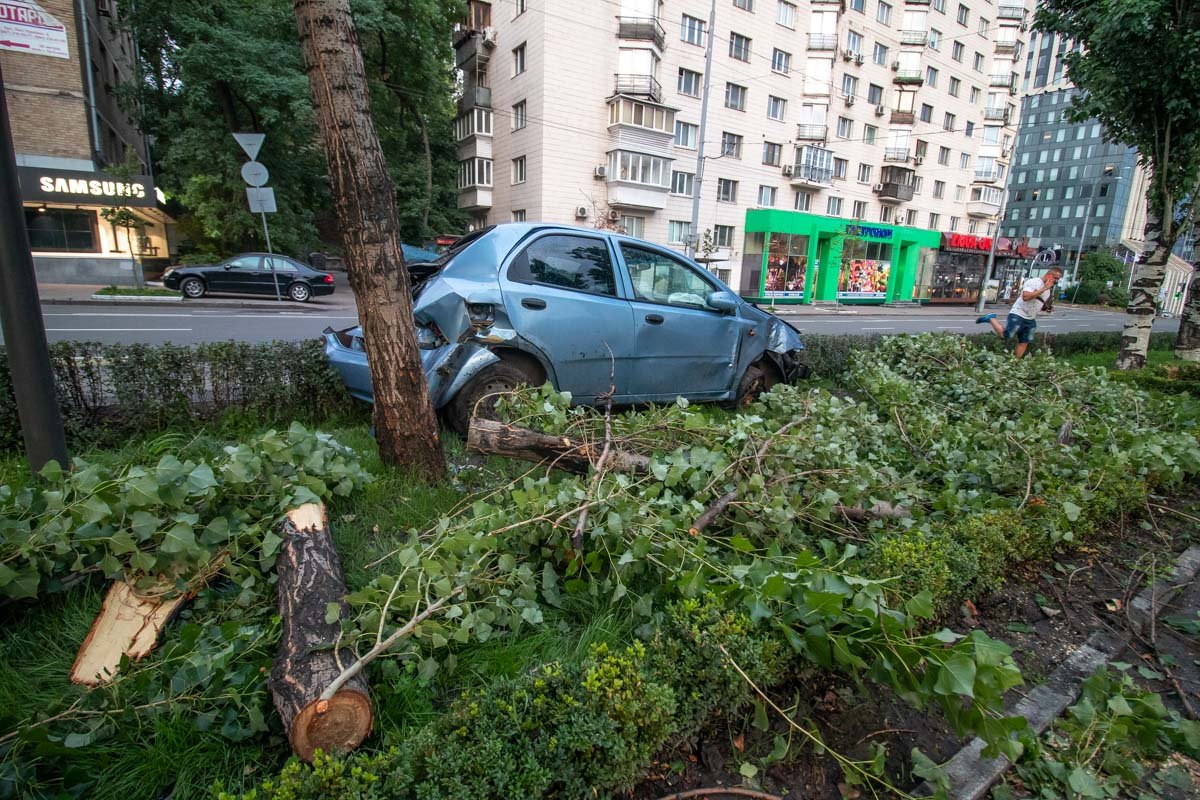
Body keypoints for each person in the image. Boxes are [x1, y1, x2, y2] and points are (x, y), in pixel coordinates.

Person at [976, 266, 1062, 358]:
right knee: (1006, 335)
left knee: (1025, 341)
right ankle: (991, 318)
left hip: (1030, 318)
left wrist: (1047, 308)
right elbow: (1025, 297)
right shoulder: (1034, 282)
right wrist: (1044, 288)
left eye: (1058, 279)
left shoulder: (1048, 290)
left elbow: (1039, 302)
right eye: (1055, 278)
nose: (1056, 281)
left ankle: (1016, 362)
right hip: (1018, 313)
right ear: (1049, 275)